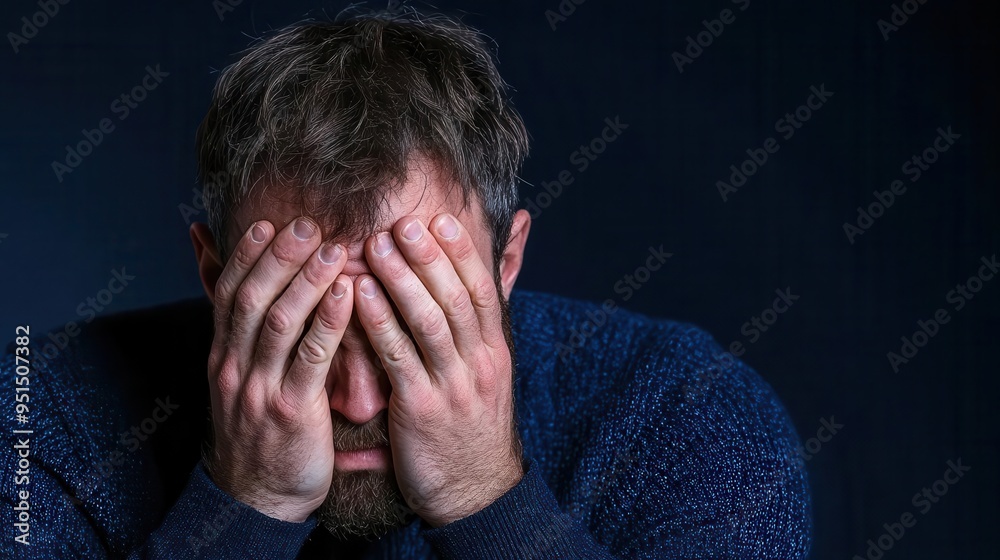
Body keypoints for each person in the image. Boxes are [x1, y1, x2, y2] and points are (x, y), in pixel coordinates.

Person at [1, 8, 811, 559]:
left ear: (506, 263)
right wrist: (244, 509)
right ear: (217, 274)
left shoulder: (690, 413)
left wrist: (487, 499)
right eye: (301, 320)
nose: (355, 401)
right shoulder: (42, 410)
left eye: (413, 322)